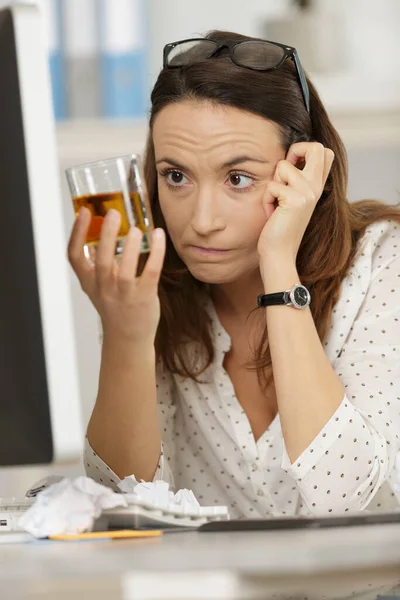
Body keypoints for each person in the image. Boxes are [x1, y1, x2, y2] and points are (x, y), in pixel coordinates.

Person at [68, 31, 400, 518]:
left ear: (302, 171)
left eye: (238, 178)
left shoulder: (380, 262)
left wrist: (279, 266)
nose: (202, 220)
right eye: (175, 176)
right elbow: (128, 512)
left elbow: (345, 502)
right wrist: (127, 334)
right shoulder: (147, 290)